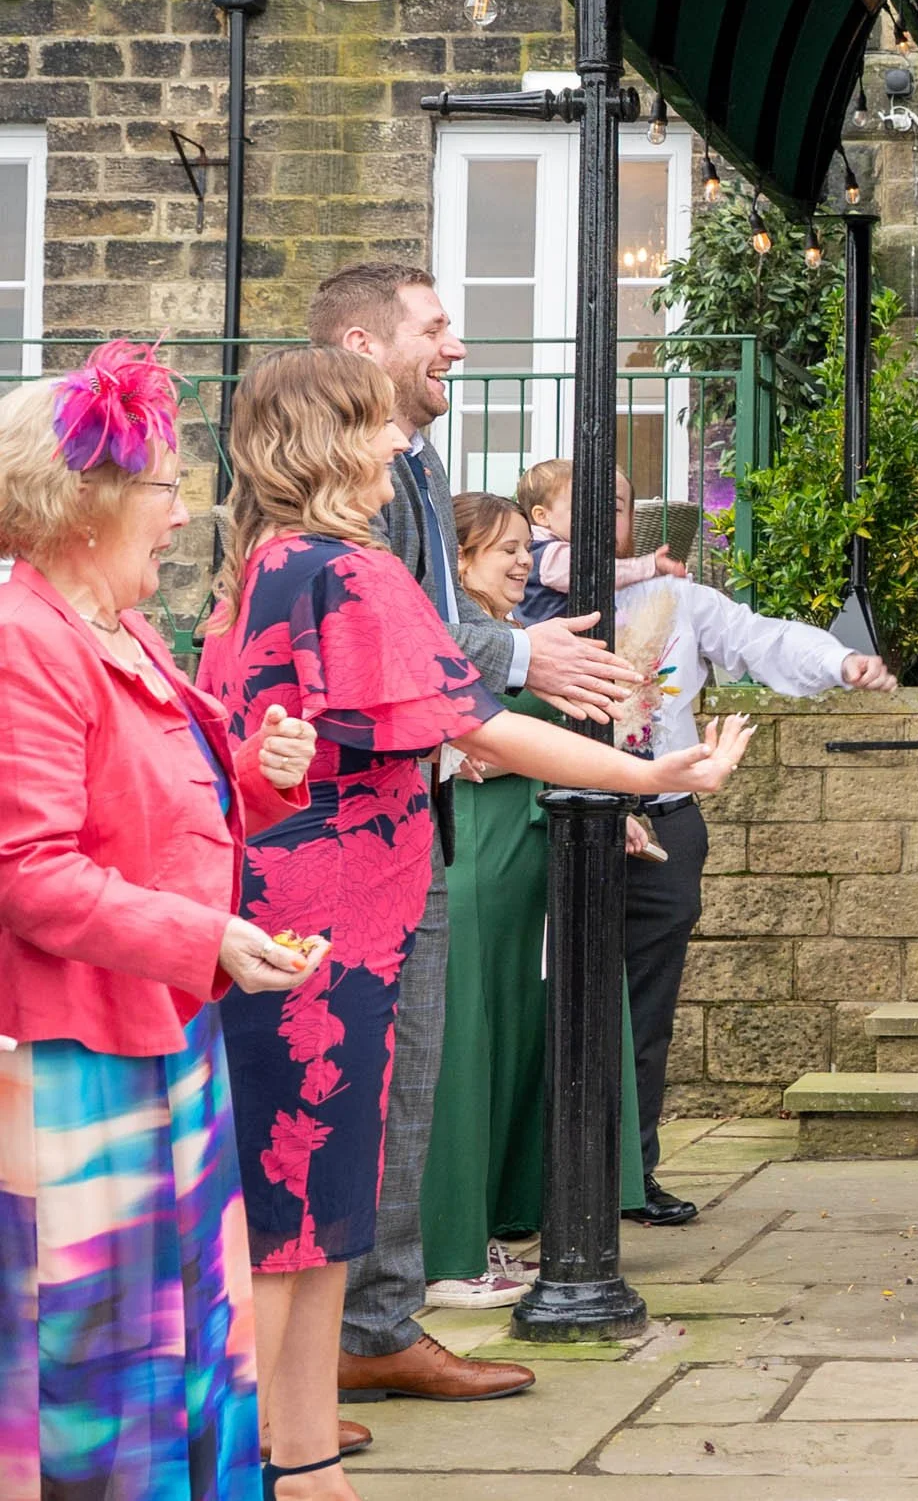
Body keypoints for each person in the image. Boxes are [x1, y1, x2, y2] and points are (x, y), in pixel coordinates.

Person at [195, 346, 752, 1501]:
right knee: (297, 1213)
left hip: (302, 910)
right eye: (379, 426)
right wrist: (650, 775)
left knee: (314, 1214)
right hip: (327, 925)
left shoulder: (270, 562)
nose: (402, 445)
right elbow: (480, 722)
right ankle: (260, 1463)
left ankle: (300, 1456)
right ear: (329, 443)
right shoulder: (344, 571)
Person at [307, 262, 644, 1406]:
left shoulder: (415, 455)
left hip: (415, 813)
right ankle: (337, 1339)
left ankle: (374, 1323)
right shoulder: (320, 514)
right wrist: (523, 662)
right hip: (344, 836)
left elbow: (433, 621)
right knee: (360, 1087)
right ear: (363, 345)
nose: (456, 345)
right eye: (436, 326)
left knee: (407, 1076)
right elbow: (407, 632)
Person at [0, 342, 322, 1499]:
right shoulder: (24, 640)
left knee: (196, 1339)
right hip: (76, 1062)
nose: (185, 516)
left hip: (164, 1032)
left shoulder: (119, 629)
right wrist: (204, 939)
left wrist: (258, 776)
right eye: (165, 489)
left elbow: (157, 808)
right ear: (83, 503)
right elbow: (27, 872)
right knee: (105, 1370)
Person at [605, 483, 898, 1226]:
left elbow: (757, 637)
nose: (605, 515)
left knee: (647, 1010)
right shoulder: (533, 604)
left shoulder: (676, 597)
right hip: (560, 822)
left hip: (665, 823)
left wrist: (839, 661)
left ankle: (631, 1173)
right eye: (586, 499)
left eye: (617, 502)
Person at [418, 493, 649, 1308]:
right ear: (460, 559)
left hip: (531, 849)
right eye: (505, 549)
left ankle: (494, 1219)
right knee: (467, 1042)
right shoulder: (457, 642)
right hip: (477, 851)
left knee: (517, 1040)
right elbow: (451, 741)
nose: (523, 562)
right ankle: (446, 1246)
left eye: (526, 547)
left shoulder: (520, 637)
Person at [510, 458, 684, 626]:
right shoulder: (551, 555)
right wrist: (650, 566)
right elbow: (598, 573)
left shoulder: (531, 551)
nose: (595, 517)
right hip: (564, 640)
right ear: (542, 516)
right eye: (581, 508)